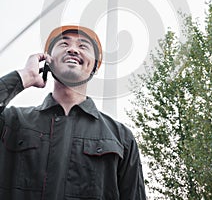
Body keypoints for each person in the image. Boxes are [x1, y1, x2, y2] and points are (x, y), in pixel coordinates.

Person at [0, 25, 146, 199]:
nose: (72, 49)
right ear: (48, 60)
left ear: (95, 66)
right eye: (63, 44)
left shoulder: (120, 137)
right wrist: (23, 76)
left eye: (83, 46)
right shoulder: (12, 121)